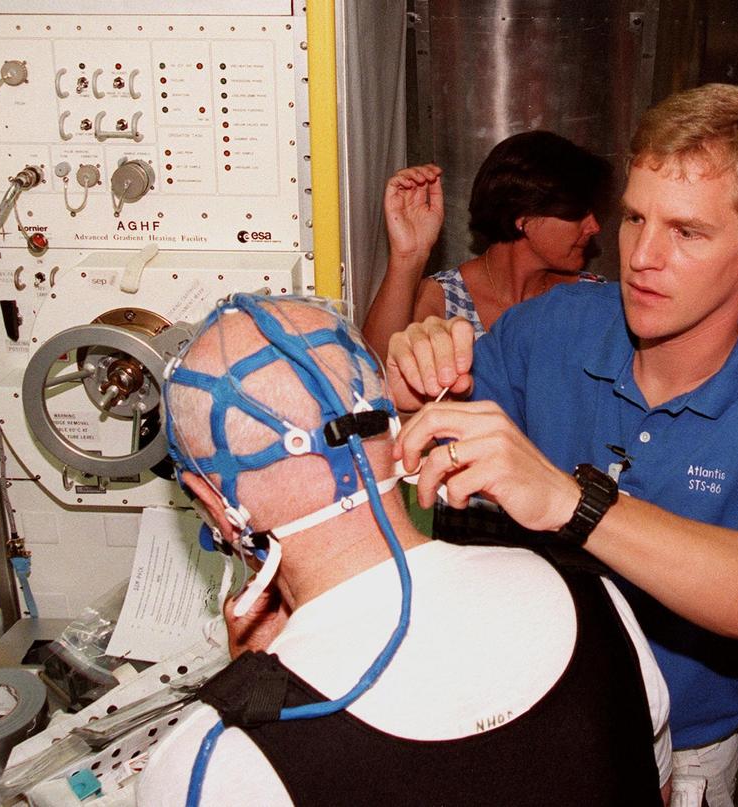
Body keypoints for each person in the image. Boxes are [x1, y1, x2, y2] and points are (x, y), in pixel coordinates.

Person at [384, 84, 738, 807]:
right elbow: (416, 409)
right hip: (514, 715)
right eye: (636, 218)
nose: (642, 257)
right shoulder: (555, 327)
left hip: (684, 754)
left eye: (687, 232)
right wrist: (419, 361)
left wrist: (575, 503)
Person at [136, 294, 674, 806]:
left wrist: (253, 692)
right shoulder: (595, 597)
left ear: (215, 503)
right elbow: (656, 790)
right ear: (395, 422)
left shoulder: (210, 758)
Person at [361, 131, 611, 360]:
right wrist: (409, 256)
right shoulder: (444, 300)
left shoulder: (593, 299)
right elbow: (372, 378)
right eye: (578, 213)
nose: (594, 227)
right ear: (523, 216)